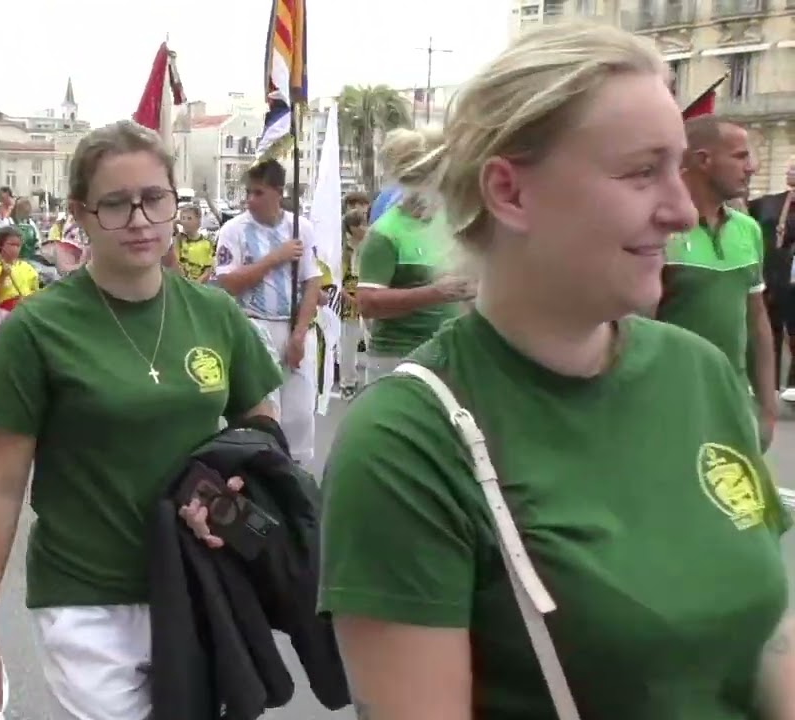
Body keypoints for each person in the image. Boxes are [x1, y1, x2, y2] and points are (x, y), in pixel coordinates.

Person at [320, 21, 794, 719]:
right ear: (510, 193)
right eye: (641, 172)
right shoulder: (405, 443)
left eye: (678, 170)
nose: (680, 211)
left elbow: (770, 643)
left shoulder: (698, 373)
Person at [0, 120, 283, 720]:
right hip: (86, 598)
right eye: (115, 203)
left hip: (197, 583)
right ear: (81, 213)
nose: (138, 219)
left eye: (154, 199)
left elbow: (261, 438)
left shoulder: (214, 313)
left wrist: (235, 493)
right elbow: (0, 490)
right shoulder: (38, 330)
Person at [658, 116, 777, 449]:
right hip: (669, 409)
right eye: (740, 156)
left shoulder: (747, 229)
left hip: (733, 406)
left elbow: (757, 322)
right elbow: (634, 331)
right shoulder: (659, 230)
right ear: (703, 160)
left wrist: (767, 409)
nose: (751, 167)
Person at [212, 159, 322, 465]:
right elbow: (228, 282)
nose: (250, 200)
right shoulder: (234, 230)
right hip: (255, 325)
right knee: (264, 412)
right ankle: (266, 473)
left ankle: (300, 474)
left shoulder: (301, 228)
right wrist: (274, 258)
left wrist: (300, 333)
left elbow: (313, 281)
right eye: (248, 192)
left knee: (300, 414)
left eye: (258, 193)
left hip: (294, 326)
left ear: (278, 192)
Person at [355, 127, 474, 385]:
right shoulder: (385, 232)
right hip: (397, 361)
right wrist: (435, 293)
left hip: (451, 359)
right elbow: (367, 303)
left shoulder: (453, 225)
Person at [751, 157, 795, 399]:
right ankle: (768, 386)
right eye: (789, 167)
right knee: (769, 331)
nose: (790, 171)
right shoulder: (770, 203)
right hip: (773, 278)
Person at [0, 225, 40, 339]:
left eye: (18, 245)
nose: (15, 249)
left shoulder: (28, 269)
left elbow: (36, 293)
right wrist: (2, 276)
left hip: (23, 315)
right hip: (0, 316)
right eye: (12, 245)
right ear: (0, 245)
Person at [337, 208, 368, 396]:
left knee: (370, 343)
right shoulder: (344, 250)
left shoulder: (368, 246)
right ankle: (347, 382)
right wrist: (350, 298)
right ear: (351, 227)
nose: (365, 228)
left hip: (369, 298)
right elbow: (337, 279)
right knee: (348, 344)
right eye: (361, 224)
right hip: (350, 302)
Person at [169, 204, 215, 282]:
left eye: (189, 218)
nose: (185, 221)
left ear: (198, 221)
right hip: (181, 282)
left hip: (198, 285)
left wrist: (196, 284)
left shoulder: (206, 243)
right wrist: (177, 222)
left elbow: (208, 270)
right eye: (183, 218)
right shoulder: (180, 239)